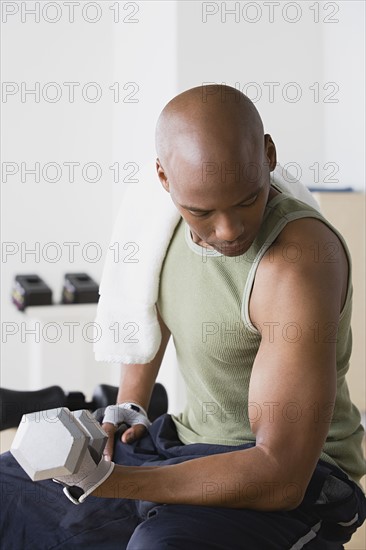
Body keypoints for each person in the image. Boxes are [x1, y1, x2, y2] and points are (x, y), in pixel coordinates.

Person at [1, 84, 365, 549]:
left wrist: (109, 482)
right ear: (164, 178)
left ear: (269, 154)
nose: (229, 230)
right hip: (180, 443)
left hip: (304, 478)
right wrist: (128, 408)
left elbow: (281, 475)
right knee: (8, 495)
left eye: (247, 200)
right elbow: (145, 306)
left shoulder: (298, 261)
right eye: (202, 211)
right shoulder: (157, 224)